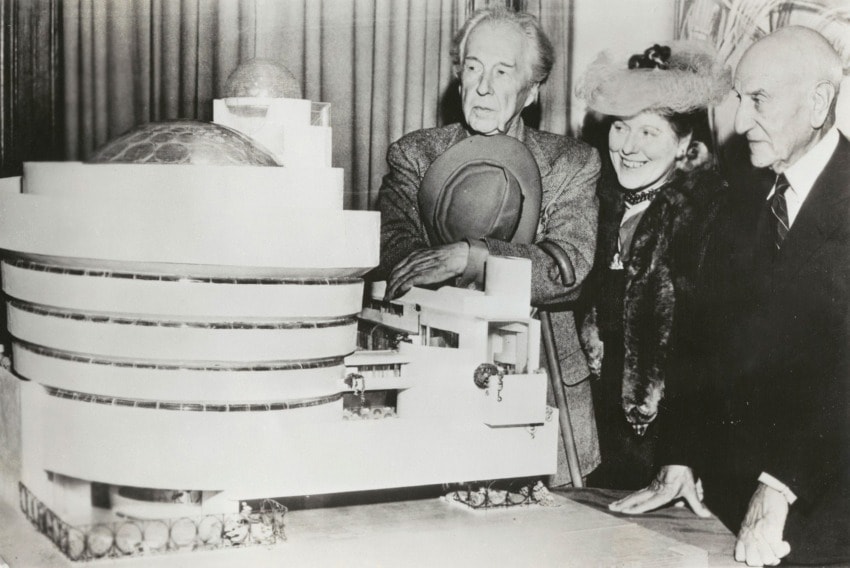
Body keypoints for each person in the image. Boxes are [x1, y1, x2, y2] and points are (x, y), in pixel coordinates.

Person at [609, 26, 850, 567]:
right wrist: (680, 455)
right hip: (728, 503)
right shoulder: (739, 197)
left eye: (758, 100)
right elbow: (701, 340)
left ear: (818, 103)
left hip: (825, 509)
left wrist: (782, 484)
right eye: (739, 99)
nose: (740, 122)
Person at [374, 7, 601, 486]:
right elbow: (397, 255)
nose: (482, 86)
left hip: (546, 392)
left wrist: (471, 256)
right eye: (473, 67)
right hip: (436, 381)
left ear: (532, 89)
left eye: (503, 71)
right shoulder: (415, 154)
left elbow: (568, 271)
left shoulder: (570, 162)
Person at [574, 42, 732, 490]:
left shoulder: (706, 216)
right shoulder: (594, 204)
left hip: (669, 441)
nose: (628, 148)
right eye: (621, 128)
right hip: (594, 428)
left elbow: (709, 351)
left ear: (684, 142)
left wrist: (685, 456)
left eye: (649, 132)